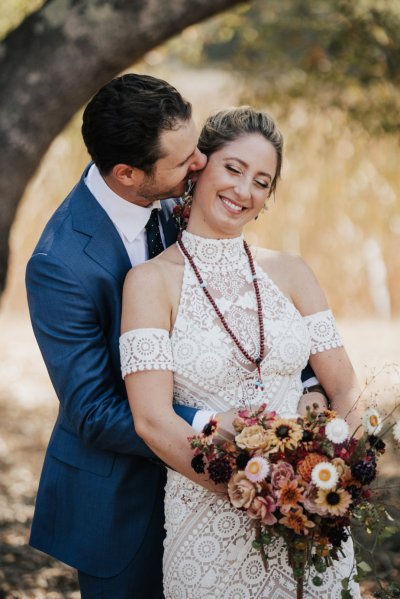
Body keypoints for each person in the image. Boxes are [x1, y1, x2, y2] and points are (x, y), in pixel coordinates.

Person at [120, 106, 361, 598]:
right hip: (206, 521)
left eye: (261, 181)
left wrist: (335, 481)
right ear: (199, 165)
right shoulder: (148, 283)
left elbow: (344, 387)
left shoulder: (294, 272)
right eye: (233, 169)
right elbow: (151, 419)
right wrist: (252, 491)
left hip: (310, 515)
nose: (243, 191)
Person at [25, 73, 210, 599]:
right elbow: (91, 409)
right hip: (122, 503)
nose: (199, 165)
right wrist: (207, 426)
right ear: (127, 173)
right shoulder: (59, 264)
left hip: (210, 505)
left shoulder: (180, 200)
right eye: (182, 161)